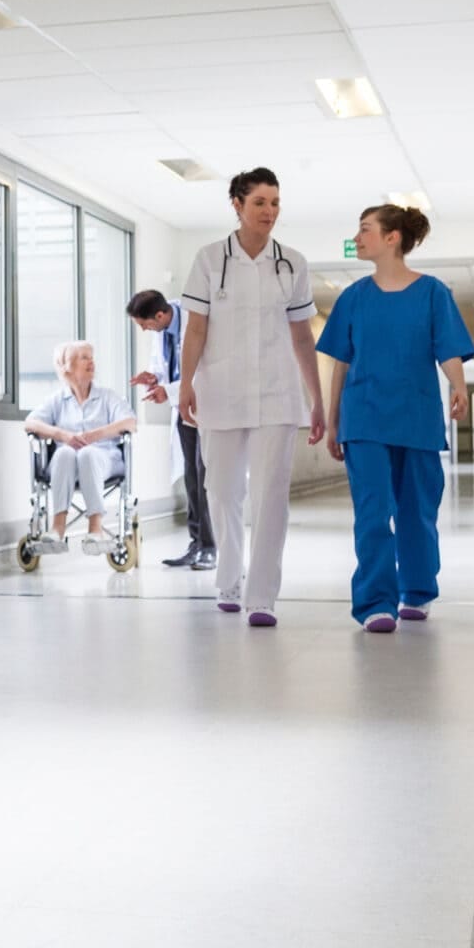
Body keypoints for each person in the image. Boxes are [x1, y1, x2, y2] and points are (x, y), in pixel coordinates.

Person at [177, 168, 327, 627]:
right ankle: (229, 578)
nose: (270, 212)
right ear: (237, 205)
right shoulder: (208, 259)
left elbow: (302, 337)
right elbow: (196, 328)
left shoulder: (293, 263)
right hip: (220, 392)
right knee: (221, 491)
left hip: (278, 393)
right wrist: (184, 384)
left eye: (276, 202)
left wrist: (316, 398)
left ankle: (262, 595)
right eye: (260, 202)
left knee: (270, 495)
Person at [316, 205, 474, 633]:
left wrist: (459, 386)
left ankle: (417, 591)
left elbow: (448, 348)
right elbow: (341, 366)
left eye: (365, 230)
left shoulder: (432, 293)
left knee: (416, 511)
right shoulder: (353, 298)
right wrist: (333, 422)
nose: (358, 237)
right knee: (372, 512)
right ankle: (375, 603)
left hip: (417, 417)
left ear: (392, 238)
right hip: (364, 419)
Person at [128, 289, 215, 571]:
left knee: (205, 478)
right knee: (191, 478)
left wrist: (170, 390)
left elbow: (204, 370)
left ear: (161, 315)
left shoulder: (195, 321)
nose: (144, 330)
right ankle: (196, 543)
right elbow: (170, 369)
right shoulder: (163, 331)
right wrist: (155, 378)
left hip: (205, 407)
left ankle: (210, 547)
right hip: (183, 410)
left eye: (145, 324)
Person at [24, 342, 137, 540]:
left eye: (91, 357)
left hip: (104, 460)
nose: (91, 361)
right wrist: (63, 435)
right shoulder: (58, 400)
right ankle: (57, 527)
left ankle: (95, 527)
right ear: (67, 365)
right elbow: (30, 423)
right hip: (64, 466)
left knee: (87, 452)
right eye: (84, 357)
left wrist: (95, 435)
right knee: (65, 452)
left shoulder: (107, 397)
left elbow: (130, 423)